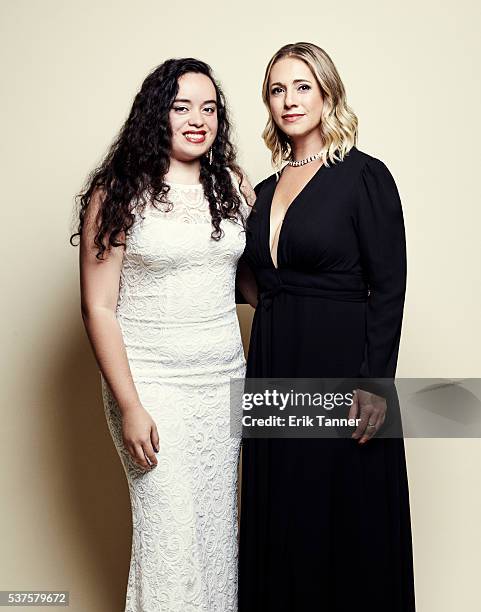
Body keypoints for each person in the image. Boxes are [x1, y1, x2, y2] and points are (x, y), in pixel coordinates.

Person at [71, 58, 255, 612]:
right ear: (157, 115)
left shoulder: (233, 187)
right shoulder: (119, 191)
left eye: (209, 108)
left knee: (217, 536)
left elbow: (253, 281)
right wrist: (130, 405)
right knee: (170, 543)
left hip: (223, 380)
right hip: (152, 386)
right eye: (181, 107)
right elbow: (97, 306)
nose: (198, 119)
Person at [237, 42, 416, 611]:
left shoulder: (364, 176)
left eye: (302, 87)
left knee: (343, 513)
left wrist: (375, 382)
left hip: (342, 365)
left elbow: (389, 285)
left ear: (327, 93)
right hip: (274, 360)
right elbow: (249, 282)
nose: (289, 101)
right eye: (277, 90)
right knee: (284, 510)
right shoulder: (261, 194)